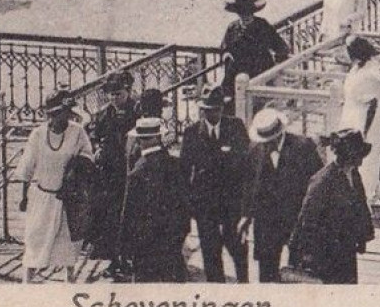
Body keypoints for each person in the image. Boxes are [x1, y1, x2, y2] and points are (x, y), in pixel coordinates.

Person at [14, 91, 94, 283]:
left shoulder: (77, 132)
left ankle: (70, 277)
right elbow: (27, 167)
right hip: (42, 196)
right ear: (52, 114)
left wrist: (77, 169)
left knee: (66, 241)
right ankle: (27, 281)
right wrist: (24, 197)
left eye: (69, 112)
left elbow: (88, 156)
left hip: (67, 197)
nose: (67, 117)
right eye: (63, 113)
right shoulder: (38, 134)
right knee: (35, 239)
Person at [242, 108, 323, 283]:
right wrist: (246, 215)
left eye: (269, 141)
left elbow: (317, 186)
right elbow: (249, 185)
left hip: (296, 220)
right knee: (266, 274)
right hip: (266, 223)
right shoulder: (254, 149)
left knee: (297, 273)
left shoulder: (304, 147)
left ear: (279, 135)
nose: (265, 145)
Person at [180, 86, 249, 282]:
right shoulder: (192, 133)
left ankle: (246, 290)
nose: (212, 114)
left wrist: (244, 203)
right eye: (207, 110)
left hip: (231, 204)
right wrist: (191, 204)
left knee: (238, 250)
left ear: (222, 108)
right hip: (205, 206)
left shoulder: (236, 127)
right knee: (211, 254)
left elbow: (245, 165)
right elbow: (184, 171)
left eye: (216, 109)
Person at [290, 130, 377, 284]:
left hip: (346, 246)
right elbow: (307, 218)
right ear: (349, 155)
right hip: (325, 249)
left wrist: (364, 235)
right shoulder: (323, 180)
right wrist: (301, 252)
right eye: (359, 153)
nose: (362, 158)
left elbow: (360, 205)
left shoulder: (354, 175)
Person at [117, 118, 191, 283]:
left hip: (145, 246)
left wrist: (124, 247)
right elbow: (185, 204)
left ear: (138, 140)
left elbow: (129, 212)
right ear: (159, 137)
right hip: (172, 243)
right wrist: (181, 234)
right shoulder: (175, 164)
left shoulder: (137, 171)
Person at [86, 71, 137, 271]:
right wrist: (97, 148)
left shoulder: (137, 111)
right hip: (109, 173)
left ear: (128, 91)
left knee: (130, 215)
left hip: (131, 171)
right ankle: (113, 259)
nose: (115, 98)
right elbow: (95, 136)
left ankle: (129, 258)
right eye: (112, 94)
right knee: (110, 216)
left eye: (119, 94)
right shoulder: (104, 114)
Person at [338, 36, 380, 207]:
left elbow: (372, 104)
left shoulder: (370, 74)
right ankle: (376, 189)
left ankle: (366, 194)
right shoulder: (358, 67)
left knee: (368, 156)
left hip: (366, 117)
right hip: (352, 114)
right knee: (354, 154)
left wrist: (365, 130)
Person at [219, 0, 291, 104]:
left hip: (260, 69)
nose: (245, 16)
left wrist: (278, 63)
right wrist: (226, 54)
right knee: (234, 102)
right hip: (238, 71)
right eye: (242, 13)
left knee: (261, 103)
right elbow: (225, 46)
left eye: (248, 13)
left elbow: (280, 45)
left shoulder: (262, 25)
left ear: (253, 12)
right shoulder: (233, 27)